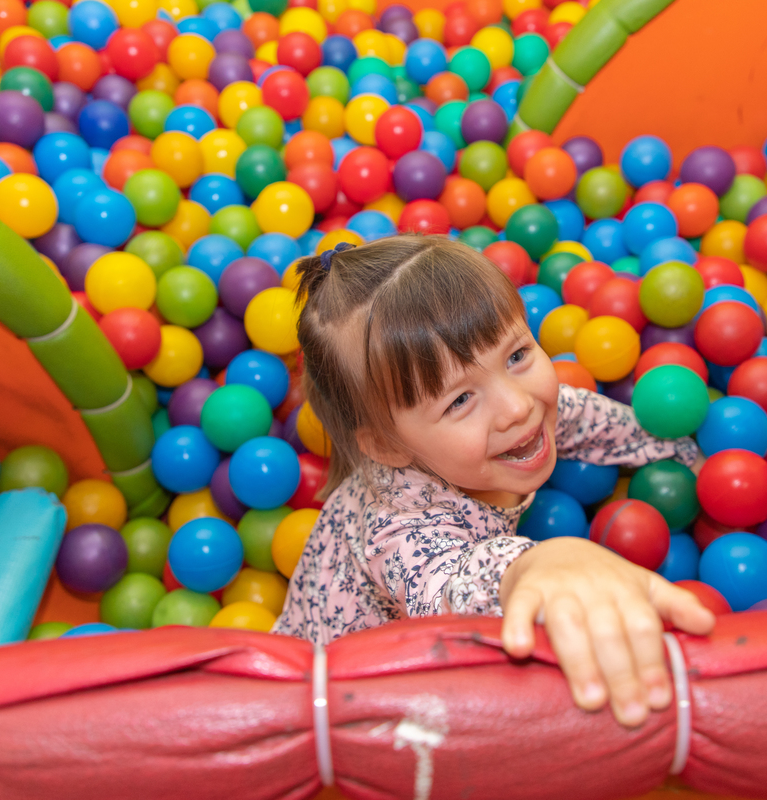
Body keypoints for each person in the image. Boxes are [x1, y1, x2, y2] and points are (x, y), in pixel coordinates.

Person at [274, 235, 715, 727]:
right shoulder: (393, 526)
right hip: (341, 697)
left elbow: (583, 418)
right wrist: (540, 564)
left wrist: (687, 454)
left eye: (517, 355)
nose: (517, 406)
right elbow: (448, 583)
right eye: (459, 401)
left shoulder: (515, 413)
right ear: (388, 445)